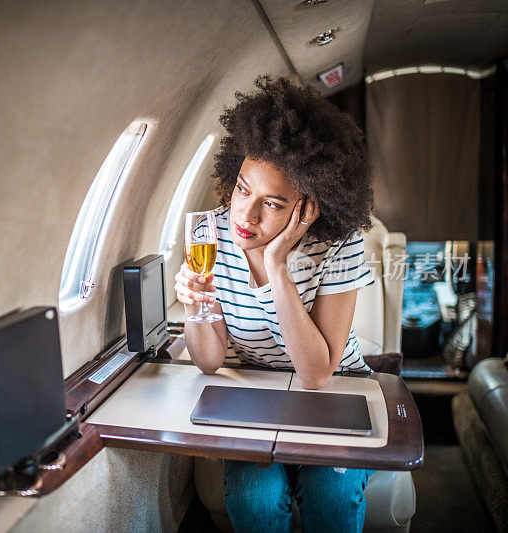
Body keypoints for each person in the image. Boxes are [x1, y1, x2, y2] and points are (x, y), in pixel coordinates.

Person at [174, 75, 376, 533]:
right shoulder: (211, 233)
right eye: (243, 189)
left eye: (272, 203)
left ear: (309, 207)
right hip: (255, 396)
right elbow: (208, 361)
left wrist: (277, 266)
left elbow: (316, 373)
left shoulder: (340, 245)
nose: (245, 216)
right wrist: (196, 304)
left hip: (336, 393)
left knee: (333, 493)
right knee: (255, 498)